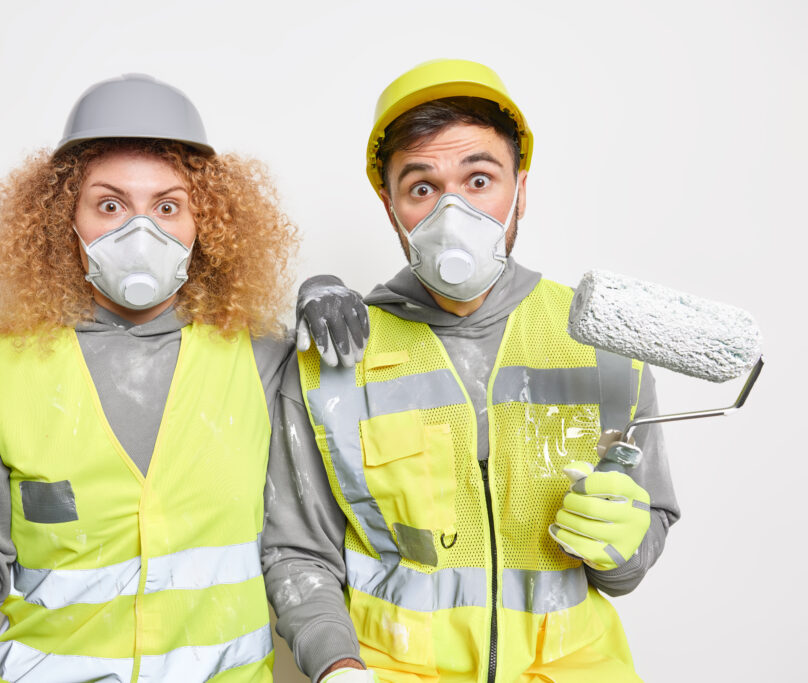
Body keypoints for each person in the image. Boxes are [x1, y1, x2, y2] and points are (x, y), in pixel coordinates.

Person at [0, 73, 364, 682]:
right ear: (65, 222)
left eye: (167, 206)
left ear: (202, 221)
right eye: (110, 205)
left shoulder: (262, 360)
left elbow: (299, 556)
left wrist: (338, 666)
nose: (142, 232)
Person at [262, 59, 680, 682]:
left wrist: (624, 547)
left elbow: (637, 551)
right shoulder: (336, 356)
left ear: (521, 189)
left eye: (479, 180)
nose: (451, 215)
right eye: (423, 188)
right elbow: (298, 553)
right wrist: (337, 665)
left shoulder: (600, 342)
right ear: (391, 206)